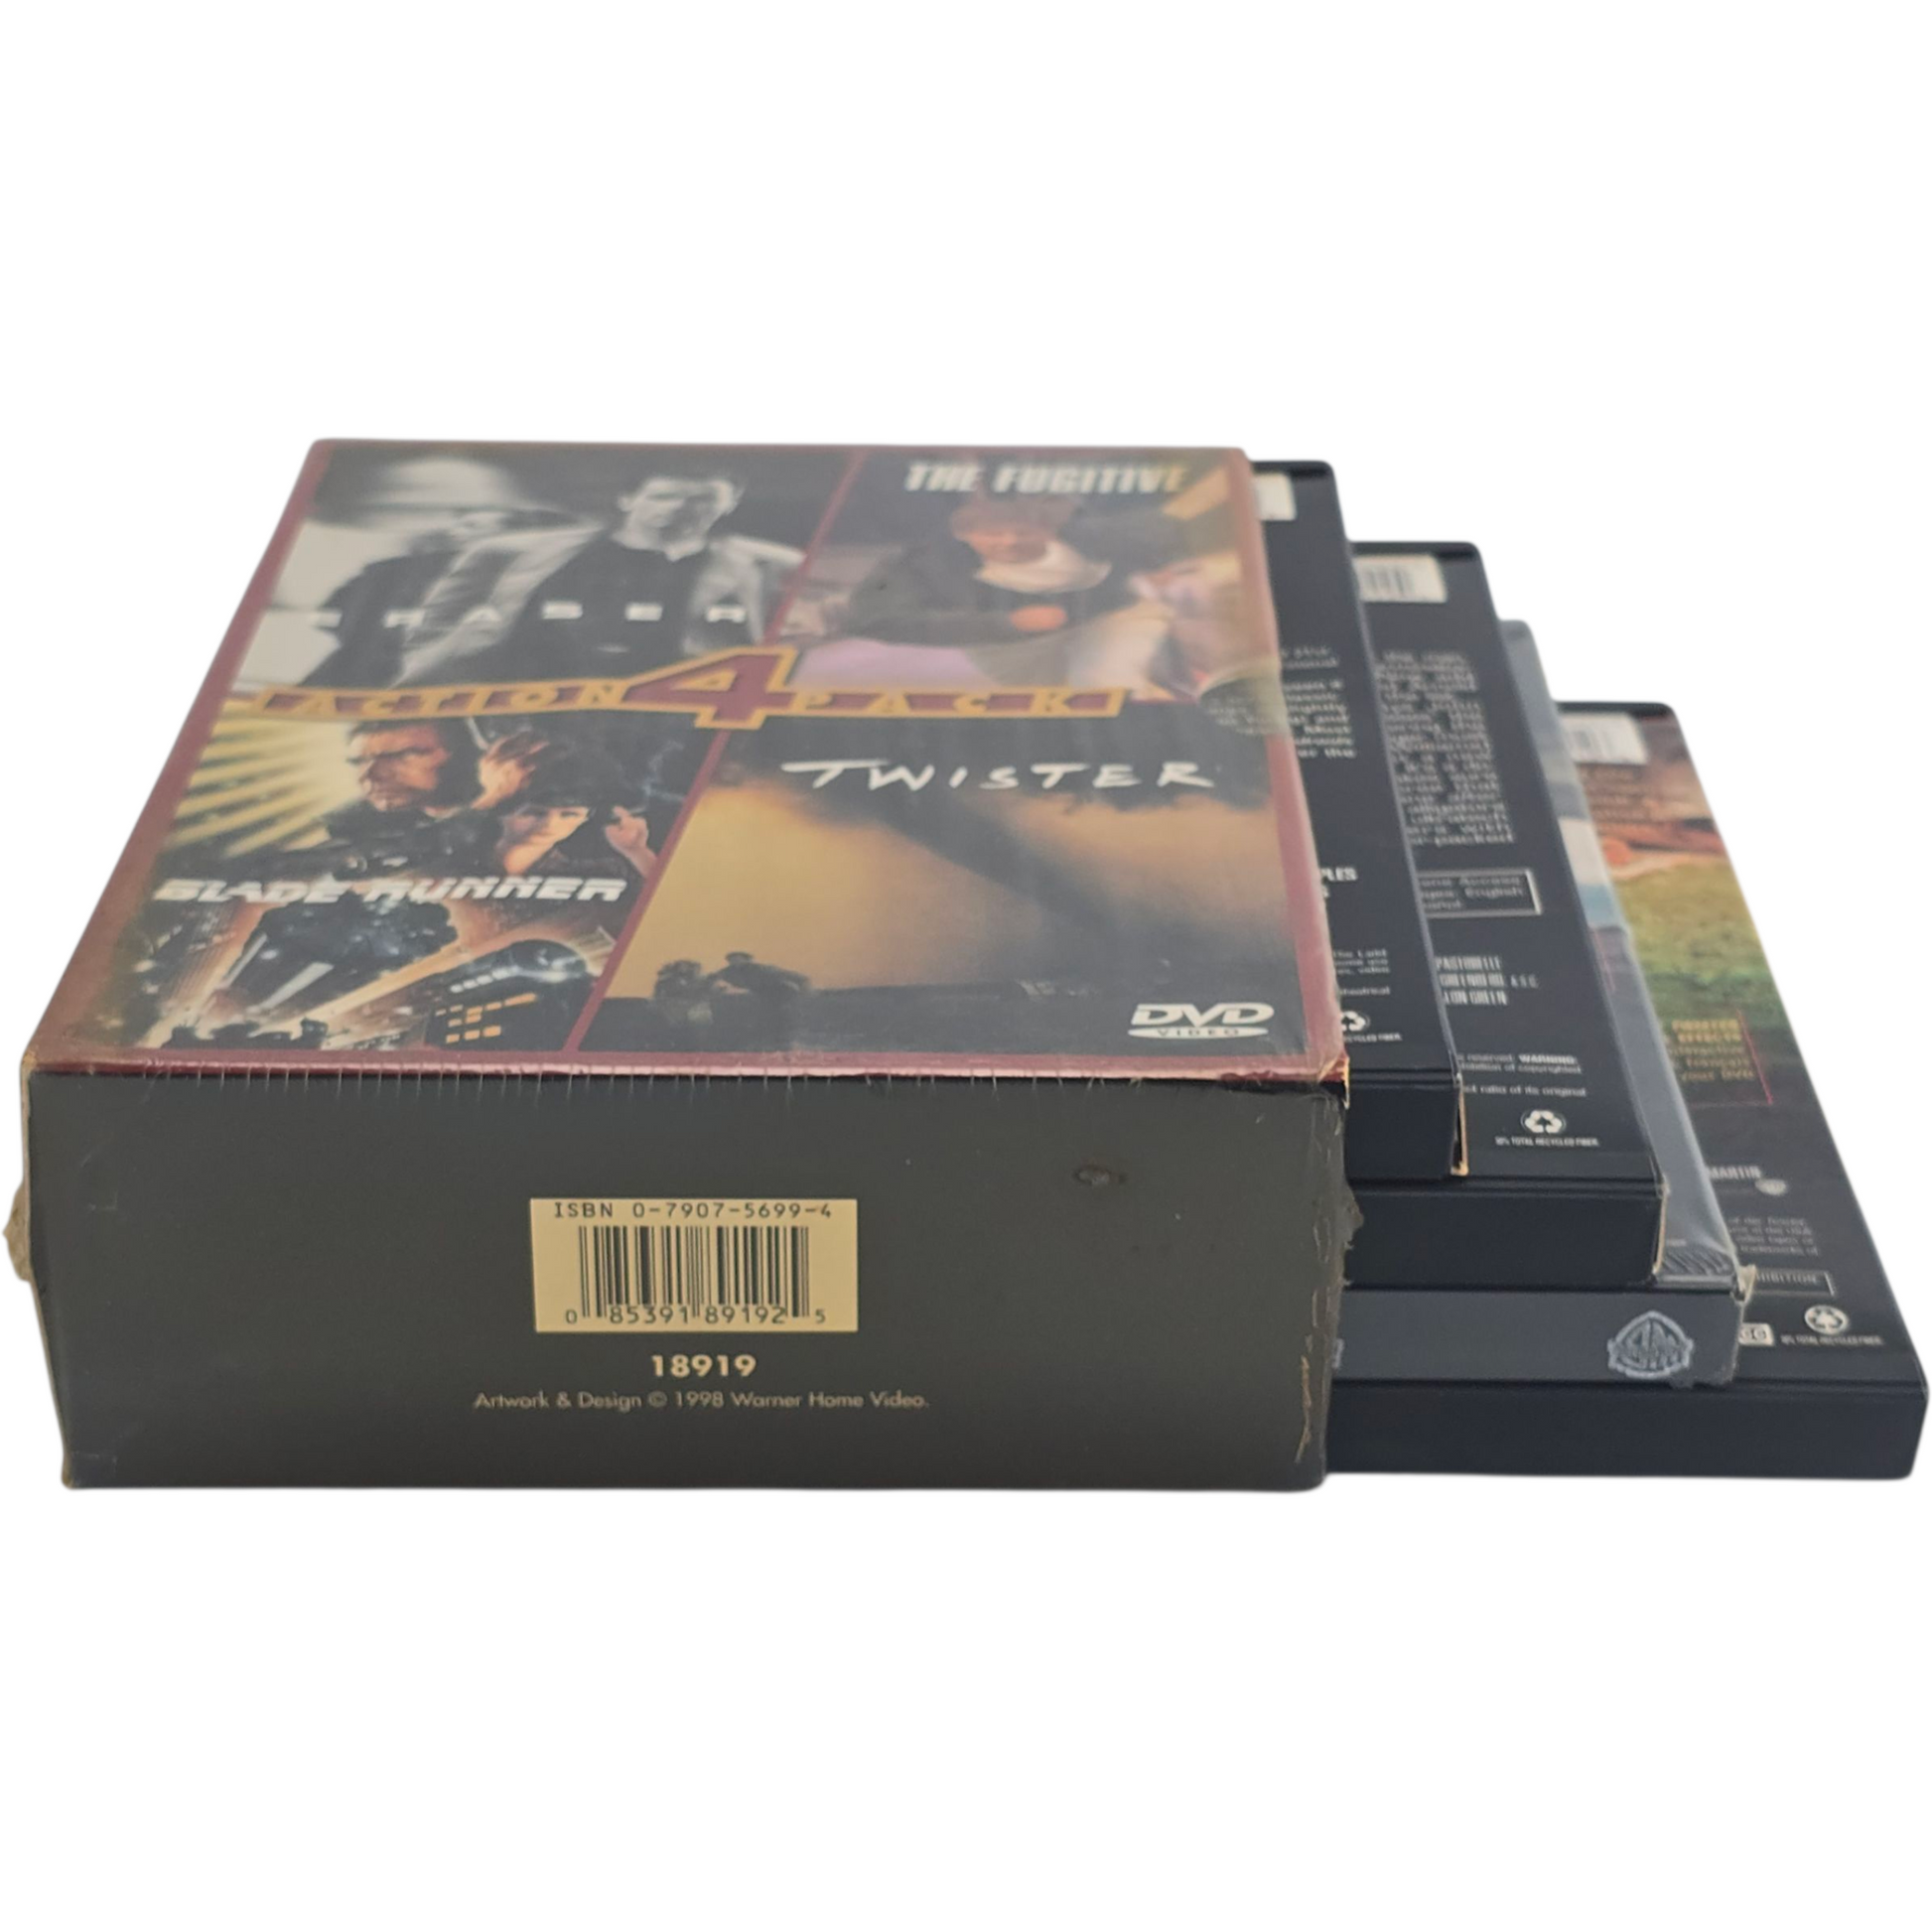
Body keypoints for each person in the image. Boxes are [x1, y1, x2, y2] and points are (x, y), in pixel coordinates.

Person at [395, 467, 803, 685]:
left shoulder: (772, 566)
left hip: (669, 710)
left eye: (702, 499)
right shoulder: (508, 551)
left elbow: (793, 642)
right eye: (663, 496)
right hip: (522, 696)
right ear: (628, 499)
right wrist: (419, 675)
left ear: (729, 504)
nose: (679, 508)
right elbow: (435, 622)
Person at [834, 495, 1193, 689]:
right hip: (1010, 651)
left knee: (1105, 682)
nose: (1009, 542)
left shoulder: (1088, 536)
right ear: (963, 533)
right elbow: (873, 619)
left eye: (1022, 531)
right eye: (992, 533)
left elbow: (1164, 531)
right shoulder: (928, 564)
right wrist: (1007, 623)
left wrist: (1153, 566)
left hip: (1112, 621)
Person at [302, 509, 524, 688]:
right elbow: (332, 614)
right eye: (466, 525)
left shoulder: (388, 568)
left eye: (473, 527)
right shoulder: (388, 570)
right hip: (393, 680)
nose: (460, 532)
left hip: (363, 678)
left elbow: (332, 614)